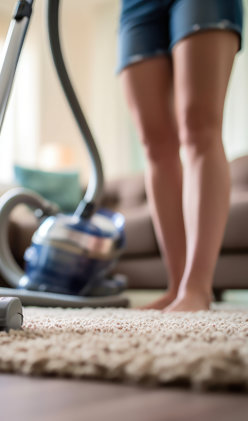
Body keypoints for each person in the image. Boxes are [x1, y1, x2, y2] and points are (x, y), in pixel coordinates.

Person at [117, 0, 244, 311]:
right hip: (136, 5)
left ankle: (197, 286)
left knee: (199, 129)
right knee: (154, 146)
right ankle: (177, 286)